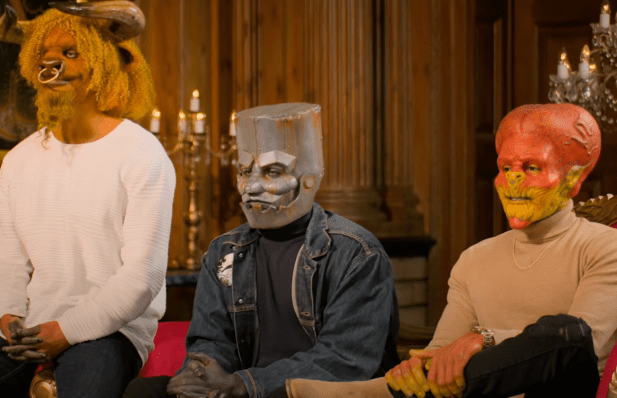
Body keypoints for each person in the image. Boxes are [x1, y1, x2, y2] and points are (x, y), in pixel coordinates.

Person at [285, 103, 617, 398]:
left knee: (568, 334)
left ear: (573, 179)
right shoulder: (475, 259)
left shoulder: (606, 247)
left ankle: (378, 394)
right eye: (505, 168)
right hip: (479, 394)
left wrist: (485, 338)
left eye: (531, 168)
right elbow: (442, 351)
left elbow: (589, 343)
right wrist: (418, 368)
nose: (513, 182)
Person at [0, 0, 176, 398]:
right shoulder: (19, 159)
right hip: (28, 325)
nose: (53, 66)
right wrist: (10, 316)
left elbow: (141, 277)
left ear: (102, 62)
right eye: (44, 56)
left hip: (112, 331)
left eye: (70, 53)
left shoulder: (142, 154)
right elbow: (5, 258)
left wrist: (66, 331)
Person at [123, 103, 400, 398]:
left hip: (313, 393)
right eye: (245, 171)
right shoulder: (224, 252)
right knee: (143, 391)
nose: (251, 186)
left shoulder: (357, 254)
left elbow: (345, 360)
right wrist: (200, 379)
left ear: (308, 181)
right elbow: (211, 341)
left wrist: (244, 384)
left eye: (272, 172)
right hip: (240, 390)